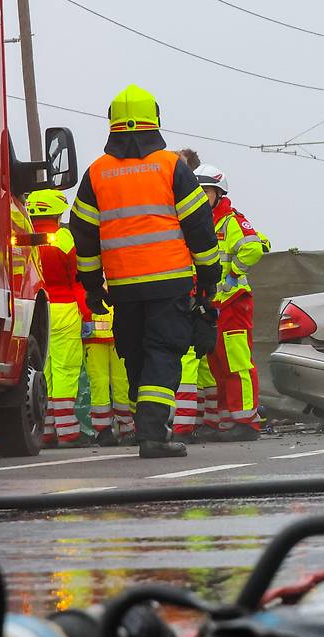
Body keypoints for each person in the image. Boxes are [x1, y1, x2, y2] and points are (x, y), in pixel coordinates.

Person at [70, 85, 222, 459]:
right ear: (155, 118)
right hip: (168, 281)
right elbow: (200, 227)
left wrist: (92, 286)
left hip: (123, 287)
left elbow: (83, 235)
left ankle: (148, 427)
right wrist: (208, 279)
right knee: (163, 353)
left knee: (136, 354)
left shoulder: (97, 173)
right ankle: (154, 436)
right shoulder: (171, 167)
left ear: (112, 122)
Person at [194, 163, 268, 441]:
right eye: (198, 191)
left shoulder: (230, 219)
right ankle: (225, 422)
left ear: (218, 192)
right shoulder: (202, 222)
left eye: (206, 192)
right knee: (217, 365)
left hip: (233, 303)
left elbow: (253, 247)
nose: (202, 197)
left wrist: (234, 273)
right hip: (212, 305)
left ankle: (246, 422)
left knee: (237, 363)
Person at [26, 189, 88, 449]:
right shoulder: (64, 239)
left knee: (44, 370)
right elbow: (79, 278)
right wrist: (87, 313)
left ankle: (46, 427)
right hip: (64, 308)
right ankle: (69, 431)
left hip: (35, 309)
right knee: (66, 370)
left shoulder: (21, 235)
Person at [82, 298, 135, 446]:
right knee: (99, 383)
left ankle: (127, 427)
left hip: (119, 333)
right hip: (94, 334)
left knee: (122, 382)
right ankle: (103, 429)